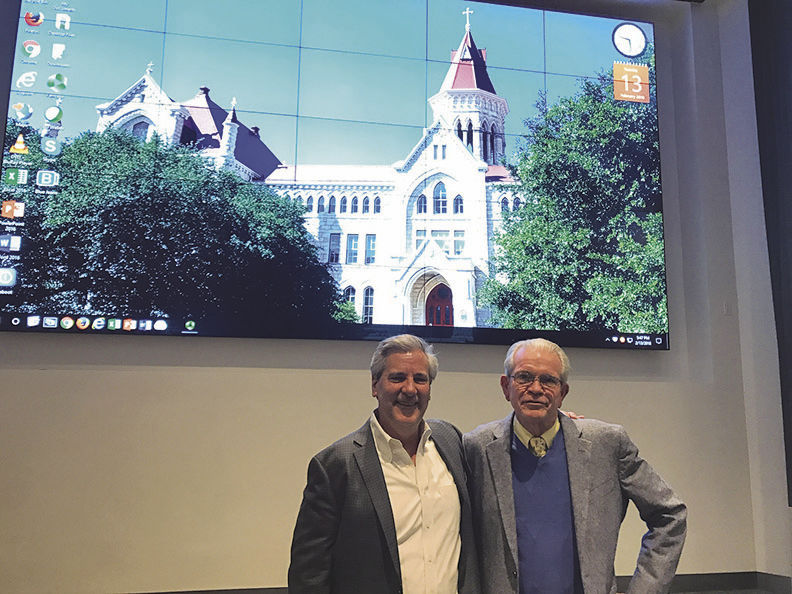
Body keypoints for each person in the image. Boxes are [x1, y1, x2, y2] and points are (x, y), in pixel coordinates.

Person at [463, 338, 687, 594]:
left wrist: (646, 589)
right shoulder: (476, 448)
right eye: (524, 377)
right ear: (506, 387)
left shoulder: (606, 444)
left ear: (563, 393)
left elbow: (670, 514)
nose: (536, 388)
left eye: (548, 380)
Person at [288, 334, 480, 594]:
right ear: (375, 385)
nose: (410, 389)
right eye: (398, 377)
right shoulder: (335, 465)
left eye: (420, 379)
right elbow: (309, 573)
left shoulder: (450, 440)